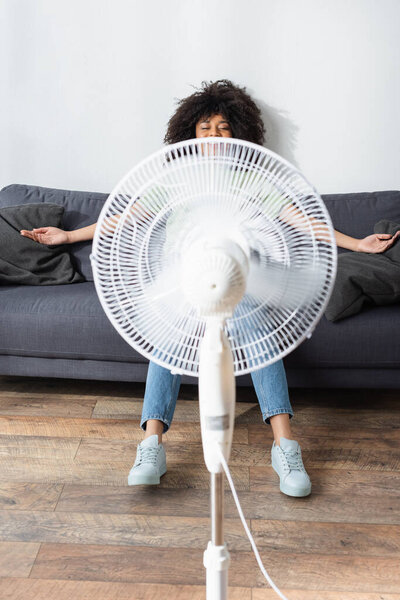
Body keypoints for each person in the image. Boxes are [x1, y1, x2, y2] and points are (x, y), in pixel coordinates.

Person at [21, 80, 399, 497]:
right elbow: (126, 216)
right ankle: (151, 445)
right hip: (187, 282)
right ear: (190, 134)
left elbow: (300, 219)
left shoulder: (252, 180)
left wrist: (357, 243)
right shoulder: (176, 182)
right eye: (205, 127)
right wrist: (70, 237)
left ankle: (285, 447)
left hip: (240, 280)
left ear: (238, 133)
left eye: (223, 127)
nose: (215, 135)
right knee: (164, 344)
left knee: (261, 339)